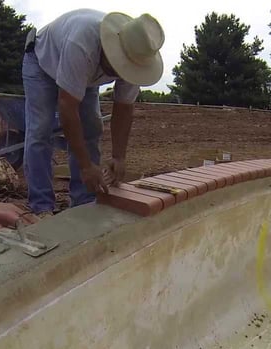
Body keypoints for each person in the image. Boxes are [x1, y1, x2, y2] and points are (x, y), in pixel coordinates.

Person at [22, 9, 165, 216]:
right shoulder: (82, 43)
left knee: (92, 127)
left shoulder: (137, 56)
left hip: (86, 75)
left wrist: (119, 157)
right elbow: (67, 108)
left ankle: (83, 201)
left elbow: (123, 109)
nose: (120, 73)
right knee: (40, 130)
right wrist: (86, 166)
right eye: (118, 66)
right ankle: (41, 205)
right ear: (110, 50)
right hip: (42, 63)